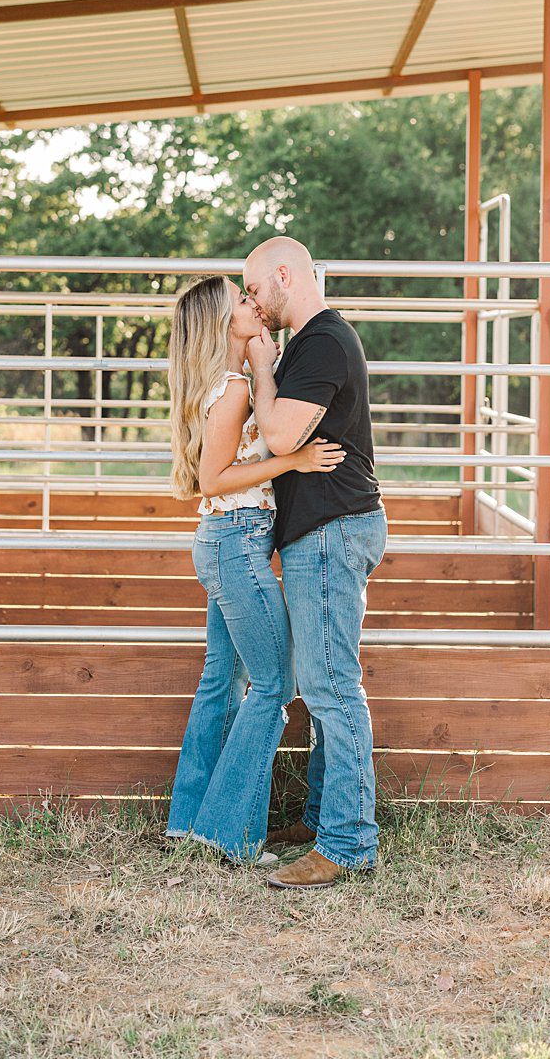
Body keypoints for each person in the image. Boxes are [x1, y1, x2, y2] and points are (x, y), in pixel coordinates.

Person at [162, 273, 343, 866]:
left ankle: (190, 820)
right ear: (224, 324)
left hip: (226, 542)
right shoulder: (235, 387)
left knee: (223, 680)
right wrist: (294, 460)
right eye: (241, 302)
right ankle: (230, 833)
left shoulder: (222, 383)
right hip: (236, 545)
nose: (253, 304)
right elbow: (212, 481)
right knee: (274, 684)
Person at [241, 234, 387, 890]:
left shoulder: (323, 340)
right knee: (325, 682)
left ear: (282, 274)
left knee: (331, 687)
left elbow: (278, 435)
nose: (251, 301)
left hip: (332, 530)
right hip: (324, 530)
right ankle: (327, 817)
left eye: (253, 288)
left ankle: (349, 843)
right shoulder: (313, 342)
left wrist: (260, 361)